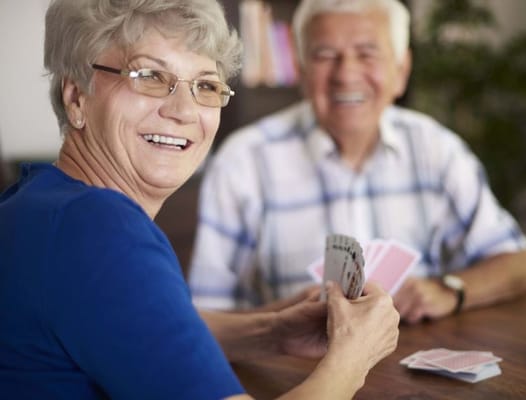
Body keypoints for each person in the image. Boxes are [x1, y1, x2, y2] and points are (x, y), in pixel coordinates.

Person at [0, 0, 401, 399]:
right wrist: (353, 356)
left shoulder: (41, 204)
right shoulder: (98, 228)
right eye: (151, 76)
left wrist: (272, 332)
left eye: (206, 86)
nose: (184, 111)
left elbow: (136, 328)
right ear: (76, 98)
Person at [188, 0, 526, 322]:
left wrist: (449, 290)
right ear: (301, 70)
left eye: (367, 53)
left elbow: (520, 264)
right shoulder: (242, 161)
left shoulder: (437, 149)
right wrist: (286, 318)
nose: (347, 74)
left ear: (401, 71)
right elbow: (204, 319)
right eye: (325, 55)